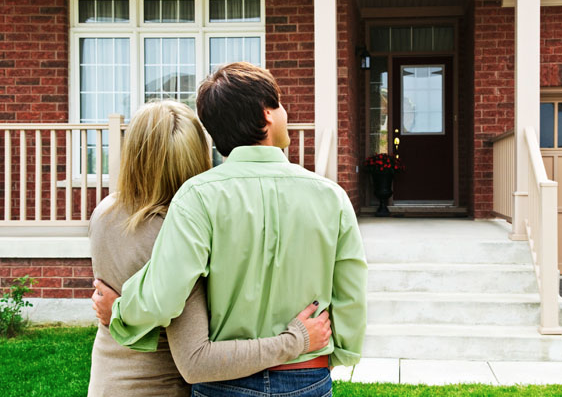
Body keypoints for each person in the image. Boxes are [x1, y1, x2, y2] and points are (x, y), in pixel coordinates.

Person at [98, 62, 368, 397]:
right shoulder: (331, 197)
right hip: (305, 373)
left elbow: (163, 296)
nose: (285, 112)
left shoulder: (197, 197)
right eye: (280, 104)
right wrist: (339, 352)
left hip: (224, 383)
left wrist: (120, 311)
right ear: (267, 114)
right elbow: (351, 293)